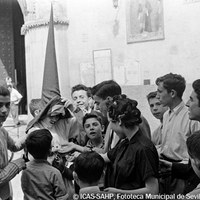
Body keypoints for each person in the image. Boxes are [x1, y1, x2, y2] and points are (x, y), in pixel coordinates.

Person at [101, 94, 159, 194]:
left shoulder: (144, 149)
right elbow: (104, 157)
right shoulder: (125, 143)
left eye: (111, 123)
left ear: (119, 121)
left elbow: (153, 191)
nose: (111, 128)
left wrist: (119, 193)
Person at [156, 73, 200, 194]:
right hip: (165, 172)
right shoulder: (165, 115)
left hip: (183, 176)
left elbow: (196, 152)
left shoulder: (191, 117)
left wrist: (174, 167)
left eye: (160, 91)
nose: (157, 95)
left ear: (172, 93)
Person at [92, 80, 151, 153]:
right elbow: (106, 152)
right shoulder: (111, 122)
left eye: (98, 103)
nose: (97, 108)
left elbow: (146, 151)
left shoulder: (136, 119)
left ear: (109, 99)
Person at [21, 129, 68, 200]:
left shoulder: (25, 168)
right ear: (50, 151)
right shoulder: (54, 173)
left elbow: (25, 189)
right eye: (52, 146)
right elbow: (62, 197)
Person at [0, 85, 26, 200]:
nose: (4, 110)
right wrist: (20, 162)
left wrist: (30, 135)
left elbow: (15, 146)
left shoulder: (2, 130)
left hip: (5, 193)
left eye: (7, 105)